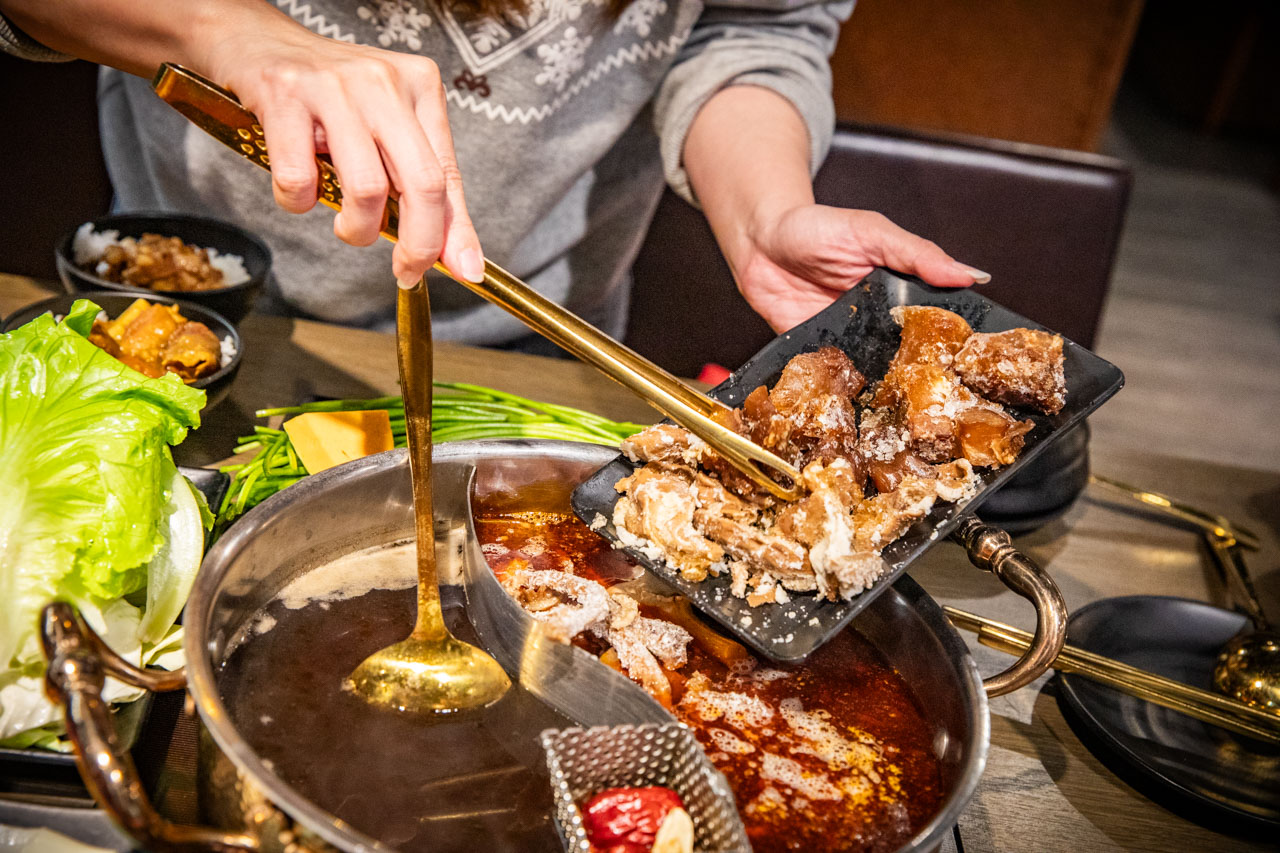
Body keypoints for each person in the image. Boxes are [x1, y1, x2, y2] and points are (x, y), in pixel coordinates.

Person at [0, 0, 987, 345]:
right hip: (199, 325)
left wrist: (768, 208)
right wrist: (227, 28)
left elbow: (750, 28)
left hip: (524, 345)